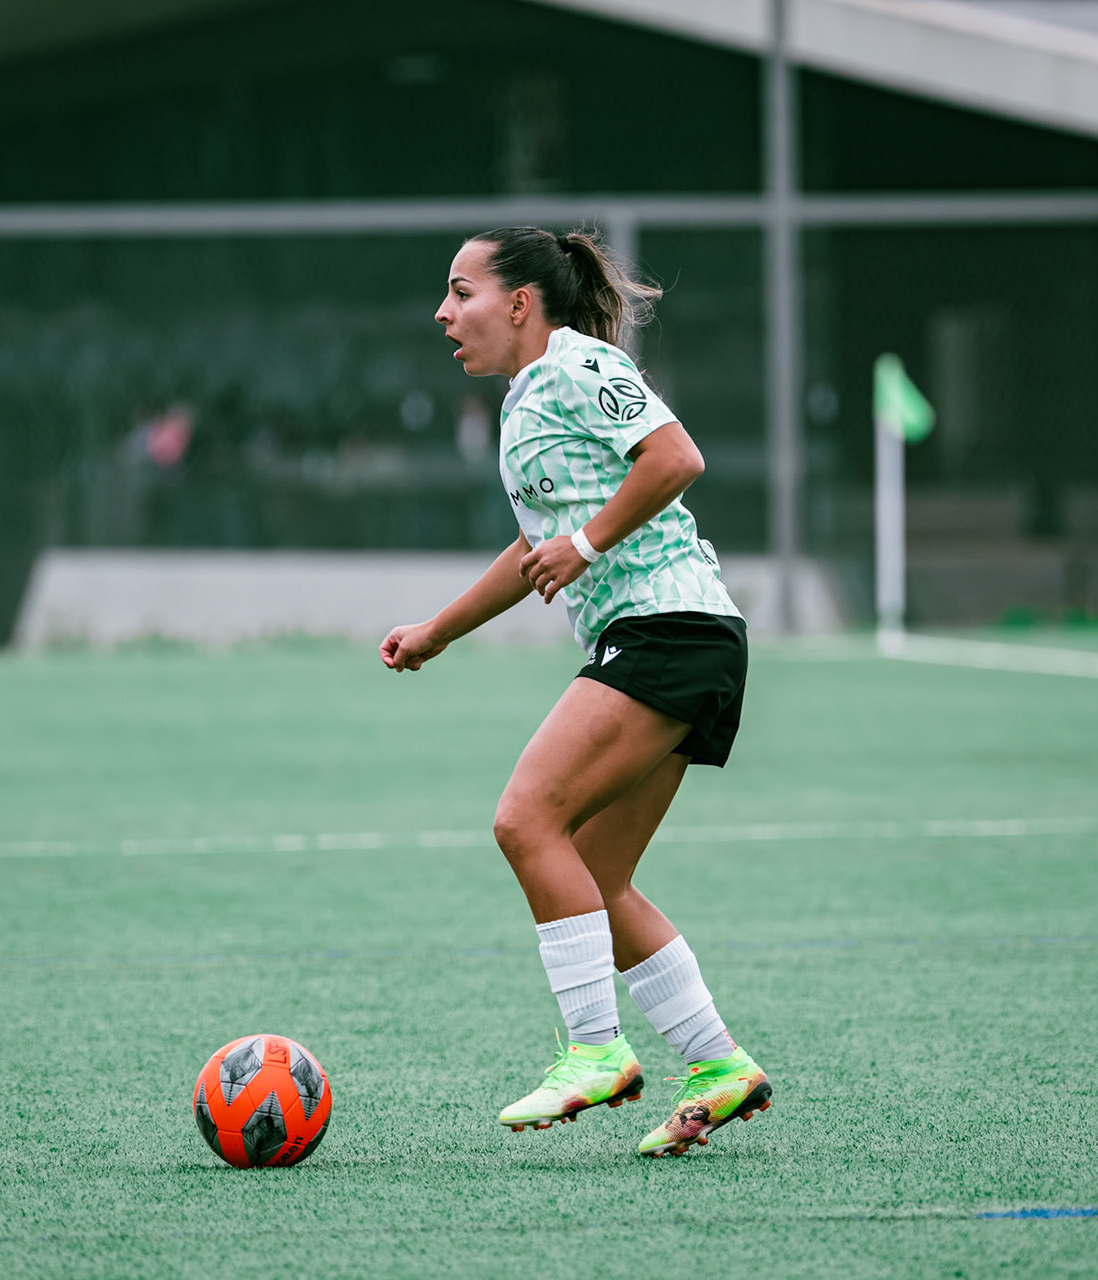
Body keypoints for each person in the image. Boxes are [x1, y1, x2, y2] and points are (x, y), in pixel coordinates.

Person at [379, 227, 770, 1158]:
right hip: (673, 639)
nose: (444, 313)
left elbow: (675, 458)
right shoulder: (524, 403)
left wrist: (587, 545)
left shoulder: (575, 362)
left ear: (519, 303)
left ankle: (596, 1049)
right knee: (593, 875)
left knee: (525, 821)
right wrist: (439, 630)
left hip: (667, 629)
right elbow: (533, 552)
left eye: (460, 291)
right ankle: (717, 1063)